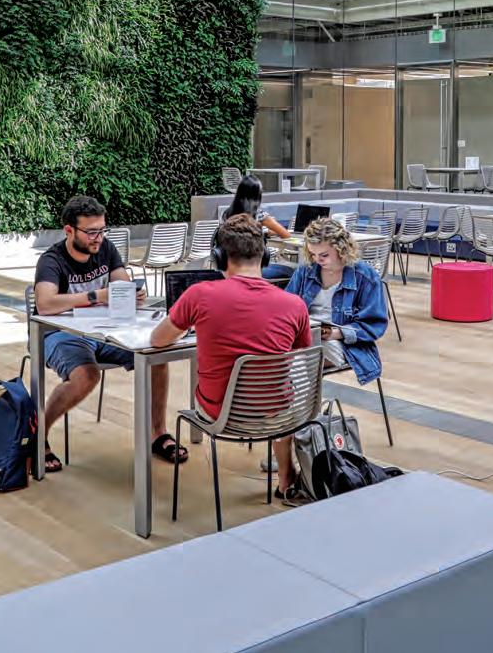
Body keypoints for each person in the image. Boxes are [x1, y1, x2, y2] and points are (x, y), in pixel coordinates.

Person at [151, 215, 311, 498]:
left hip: (220, 414)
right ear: (265, 256)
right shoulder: (295, 304)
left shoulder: (198, 294)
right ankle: (286, 476)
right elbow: (298, 353)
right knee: (280, 391)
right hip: (278, 415)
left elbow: (157, 340)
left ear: (219, 257)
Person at [35, 195, 180, 473]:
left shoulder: (106, 248)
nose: (98, 238)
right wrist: (96, 296)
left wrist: (131, 294)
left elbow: (122, 285)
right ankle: (38, 434)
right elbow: (45, 304)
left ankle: (157, 433)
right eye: (91, 232)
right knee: (87, 375)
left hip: (104, 330)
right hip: (59, 333)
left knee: (156, 355)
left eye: (102, 230)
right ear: (69, 230)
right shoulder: (52, 260)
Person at [284, 217, 388, 380]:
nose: (317, 260)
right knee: (283, 356)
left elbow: (373, 325)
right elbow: (286, 307)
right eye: (312, 254)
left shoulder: (365, 277)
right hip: (305, 337)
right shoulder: (306, 270)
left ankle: (301, 396)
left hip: (343, 343)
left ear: (341, 248)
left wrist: (335, 333)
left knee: (294, 363)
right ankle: (304, 395)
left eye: (324, 255)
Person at [224, 174, 294, 280]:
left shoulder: (226, 214)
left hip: (230, 269)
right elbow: (286, 235)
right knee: (294, 271)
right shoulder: (259, 215)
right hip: (255, 269)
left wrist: (264, 232)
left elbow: (239, 234)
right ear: (257, 196)